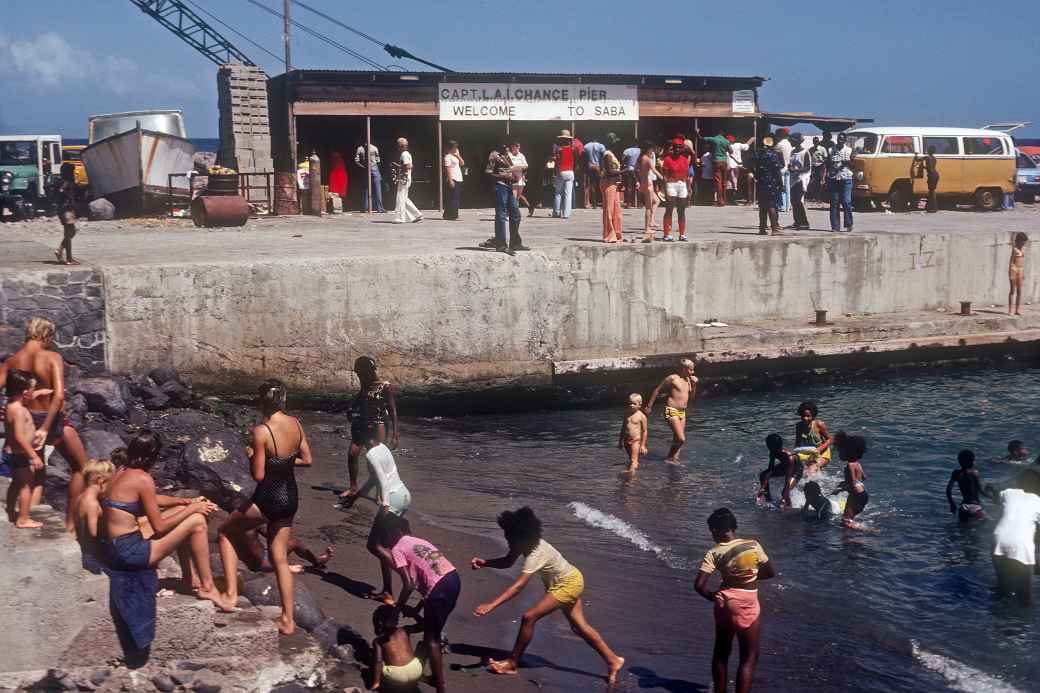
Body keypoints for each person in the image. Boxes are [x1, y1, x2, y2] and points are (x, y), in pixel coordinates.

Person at [472, 507, 625, 684]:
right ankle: (613, 660)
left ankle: (512, 663)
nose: (507, 539)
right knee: (579, 627)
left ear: (521, 536)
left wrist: (492, 605)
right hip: (567, 581)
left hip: (568, 585)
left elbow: (518, 586)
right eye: (506, 534)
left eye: (509, 536)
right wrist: (485, 563)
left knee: (529, 617)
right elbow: (508, 561)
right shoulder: (524, 543)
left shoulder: (536, 552)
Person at [217, 380, 313, 634]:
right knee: (280, 558)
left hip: (268, 497)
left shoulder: (262, 431)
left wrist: (252, 456)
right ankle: (288, 620)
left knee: (226, 533)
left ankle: (229, 594)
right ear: (283, 400)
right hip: (290, 497)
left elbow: (259, 475)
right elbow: (307, 459)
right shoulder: (296, 424)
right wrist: (282, 462)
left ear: (261, 402)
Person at [103, 430, 233, 610]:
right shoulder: (143, 479)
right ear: (152, 456)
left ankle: (190, 578)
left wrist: (184, 502)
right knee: (196, 521)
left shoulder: (121, 472)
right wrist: (193, 509)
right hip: (129, 554)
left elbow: (152, 498)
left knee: (181, 511)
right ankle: (208, 587)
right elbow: (160, 528)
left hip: (115, 547)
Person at [0, 317, 89, 530]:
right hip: (51, 420)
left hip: (26, 420)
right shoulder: (52, 356)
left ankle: (28, 513)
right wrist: (46, 427)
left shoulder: (12, 361)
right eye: (51, 338)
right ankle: (70, 526)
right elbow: (58, 397)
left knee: (36, 472)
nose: (50, 342)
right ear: (44, 336)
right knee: (80, 467)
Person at [694, 508, 775, 693]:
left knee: (721, 654)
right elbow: (770, 572)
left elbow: (699, 585)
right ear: (733, 528)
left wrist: (712, 597)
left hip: (725, 604)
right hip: (748, 603)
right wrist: (750, 576)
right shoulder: (753, 545)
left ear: (716, 530)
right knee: (748, 657)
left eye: (711, 531)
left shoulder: (714, 553)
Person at [381, 513, 460, 693]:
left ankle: (440, 687)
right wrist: (417, 608)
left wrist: (395, 614)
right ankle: (430, 675)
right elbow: (430, 576)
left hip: (438, 589)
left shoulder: (397, 548)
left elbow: (408, 585)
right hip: (453, 579)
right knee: (433, 631)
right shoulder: (420, 541)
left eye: (387, 536)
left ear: (393, 533)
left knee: (431, 639)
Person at [352, 441, 412, 606]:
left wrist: (385, 504)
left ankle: (407, 578)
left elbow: (383, 483)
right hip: (403, 494)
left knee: (373, 545)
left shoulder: (371, 454)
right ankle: (387, 591)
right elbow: (373, 480)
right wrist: (355, 497)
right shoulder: (382, 447)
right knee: (384, 547)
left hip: (392, 499)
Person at [341, 356, 400, 499]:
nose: (359, 376)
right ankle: (353, 487)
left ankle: (381, 491)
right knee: (352, 454)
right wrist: (351, 407)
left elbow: (393, 410)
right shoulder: (365, 384)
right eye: (358, 374)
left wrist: (395, 434)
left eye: (361, 373)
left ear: (369, 371)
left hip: (378, 424)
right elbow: (361, 396)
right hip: (360, 423)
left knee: (374, 460)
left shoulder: (385, 386)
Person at [3, 369, 46, 528]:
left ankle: (10, 510)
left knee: (16, 482)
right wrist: (34, 455)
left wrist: (40, 392)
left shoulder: (12, 404)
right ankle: (23, 518)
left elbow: (27, 395)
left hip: (11, 452)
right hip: (20, 454)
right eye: (33, 389)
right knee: (27, 484)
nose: (33, 392)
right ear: (25, 392)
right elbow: (20, 436)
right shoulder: (19, 411)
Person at [992, 471, 1040, 605]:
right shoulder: (1038, 502)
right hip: (1021, 544)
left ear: (1019, 483)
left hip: (998, 540)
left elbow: (994, 496)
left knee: (1002, 589)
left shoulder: (1008, 492)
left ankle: (997, 622)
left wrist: (988, 487)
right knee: (1025, 597)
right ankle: (1021, 624)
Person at [644, 357, 698, 463]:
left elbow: (691, 397)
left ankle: (674, 459)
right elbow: (657, 390)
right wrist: (649, 406)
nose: (693, 372)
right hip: (671, 410)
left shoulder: (688, 380)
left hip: (682, 412)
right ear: (683, 369)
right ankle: (670, 457)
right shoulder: (673, 378)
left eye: (693, 369)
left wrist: (694, 384)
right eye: (691, 369)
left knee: (677, 439)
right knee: (681, 439)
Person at [480, 142, 527, 255]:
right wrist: (504, 176)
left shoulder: (507, 156)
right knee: (501, 214)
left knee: (516, 214)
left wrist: (514, 177)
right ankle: (501, 244)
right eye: (506, 147)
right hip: (500, 185)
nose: (507, 149)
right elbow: (488, 172)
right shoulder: (494, 155)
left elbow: (510, 169)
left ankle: (515, 242)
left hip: (509, 185)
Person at [72, 458, 115, 573]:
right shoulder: (92, 503)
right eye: (110, 483)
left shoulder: (81, 497)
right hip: (92, 555)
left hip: (84, 547)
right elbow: (93, 532)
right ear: (101, 481)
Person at [370, 604, 423, 692]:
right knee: (421, 646)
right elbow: (423, 625)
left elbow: (378, 662)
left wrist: (376, 682)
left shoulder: (378, 640)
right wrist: (414, 614)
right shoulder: (404, 630)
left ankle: (387, 685)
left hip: (397, 677)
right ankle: (422, 677)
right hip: (416, 671)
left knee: (378, 661)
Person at [833, 432, 870, 530]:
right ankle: (851, 537)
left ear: (848, 452)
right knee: (848, 519)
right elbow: (863, 478)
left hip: (855, 495)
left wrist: (840, 489)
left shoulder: (849, 465)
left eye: (840, 451)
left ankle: (868, 530)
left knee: (846, 521)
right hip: (863, 493)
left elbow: (852, 484)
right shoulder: (857, 464)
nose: (839, 454)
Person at [757, 433, 802, 507]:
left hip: (796, 470)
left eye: (768, 445)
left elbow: (787, 480)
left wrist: (783, 498)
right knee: (763, 475)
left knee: (785, 492)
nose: (768, 447)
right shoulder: (773, 452)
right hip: (784, 466)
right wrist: (762, 489)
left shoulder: (789, 457)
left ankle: (789, 508)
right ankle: (769, 501)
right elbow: (770, 470)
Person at [946, 449, 992, 521]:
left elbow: (948, 490)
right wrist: (992, 497)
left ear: (959, 461)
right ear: (972, 461)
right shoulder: (975, 473)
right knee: (984, 524)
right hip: (975, 507)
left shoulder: (956, 473)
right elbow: (982, 491)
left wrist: (952, 504)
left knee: (963, 530)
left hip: (963, 507)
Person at [750, 135, 783, 235]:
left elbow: (749, 164)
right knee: (772, 205)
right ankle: (774, 229)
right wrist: (780, 184)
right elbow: (777, 171)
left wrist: (756, 174)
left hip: (761, 182)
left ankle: (762, 229)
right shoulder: (773, 155)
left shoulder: (757, 154)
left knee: (762, 206)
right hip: (771, 182)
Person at [660, 138, 690, 242]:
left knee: (681, 210)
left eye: (680, 147)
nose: (677, 149)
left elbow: (687, 176)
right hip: (671, 184)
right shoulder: (667, 159)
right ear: (673, 147)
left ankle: (682, 234)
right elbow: (664, 176)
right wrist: (664, 190)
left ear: (682, 149)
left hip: (682, 185)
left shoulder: (685, 159)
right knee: (669, 208)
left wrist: (689, 189)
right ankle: (666, 234)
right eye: (676, 147)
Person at [826, 133, 854, 232]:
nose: (840, 141)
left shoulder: (850, 150)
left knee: (846, 201)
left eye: (842, 139)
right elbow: (827, 164)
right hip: (833, 178)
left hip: (846, 178)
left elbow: (853, 164)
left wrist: (845, 162)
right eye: (839, 139)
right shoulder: (831, 150)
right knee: (834, 202)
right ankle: (835, 226)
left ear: (845, 140)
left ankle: (848, 223)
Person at [794, 401, 832, 472]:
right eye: (803, 416)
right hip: (810, 453)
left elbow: (830, 439)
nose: (805, 418)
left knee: (811, 470)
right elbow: (798, 441)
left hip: (823, 453)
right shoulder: (799, 426)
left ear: (813, 416)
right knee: (802, 470)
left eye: (808, 416)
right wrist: (795, 453)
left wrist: (819, 449)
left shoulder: (819, 424)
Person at [391, 138, 422, 224]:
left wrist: (397, 165)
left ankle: (400, 218)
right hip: (406, 177)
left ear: (401, 146)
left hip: (404, 177)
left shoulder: (404, 154)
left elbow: (408, 166)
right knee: (404, 198)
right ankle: (416, 214)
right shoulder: (406, 154)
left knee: (400, 197)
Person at [54, 163, 80, 265]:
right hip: (66, 210)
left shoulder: (63, 181)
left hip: (65, 209)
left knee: (72, 231)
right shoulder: (66, 182)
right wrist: (68, 198)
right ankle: (69, 259)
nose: (73, 173)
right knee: (69, 233)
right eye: (72, 171)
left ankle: (60, 250)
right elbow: (61, 191)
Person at [618, 393, 648, 474]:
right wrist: (620, 441)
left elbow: (645, 431)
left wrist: (643, 445)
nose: (631, 405)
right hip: (626, 440)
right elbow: (623, 428)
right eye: (630, 403)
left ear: (639, 405)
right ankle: (635, 467)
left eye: (634, 404)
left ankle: (631, 474)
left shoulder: (641, 416)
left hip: (635, 440)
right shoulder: (626, 414)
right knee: (631, 458)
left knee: (633, 460)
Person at [600, 142, 624, 243]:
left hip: (614, 184)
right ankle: (609, 234)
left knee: (617, 211)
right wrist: (624, 171)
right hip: (608, 183)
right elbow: (610, 171)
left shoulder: (612, 154)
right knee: (609, 209)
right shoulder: (607, 155)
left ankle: (617, 234)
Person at [787, 133, 811, 230]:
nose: (790, 142)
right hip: (793, 180)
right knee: (793, 201)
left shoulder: (805, 152)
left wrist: (797, 171)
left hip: (801, 179)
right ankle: (797, 221)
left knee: (798, 201)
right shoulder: (792, 152)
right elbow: (791, 163)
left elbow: (807, 167)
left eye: (791, 141)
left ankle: (804, 222)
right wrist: (790, 168)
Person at [702, 132, 732, 206]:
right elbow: (731, 151)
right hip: (724, 161)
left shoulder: (714, 139)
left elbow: (702, 138)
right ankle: (724, 200)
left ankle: (720, 201)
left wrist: (697, 132)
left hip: (716, 161)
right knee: (724, 182)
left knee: (718, 182)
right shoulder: (726, 141)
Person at [355, 140, 385, 213]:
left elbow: (356, 161)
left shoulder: (362, 148)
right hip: (372, 169)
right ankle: (377, 208)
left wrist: (363, 167)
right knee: (373, 188)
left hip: (370, 169)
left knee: (368, 189)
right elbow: (378, 161)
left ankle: (366, 208)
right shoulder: (372, 148)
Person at [552, 130, 576, 219]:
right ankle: (566, 214)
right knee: (568, 194)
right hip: (570, 171)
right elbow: (576, 161)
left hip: (561, 171)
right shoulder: (573, 149)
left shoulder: (559, 149)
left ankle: (556, 212)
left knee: (558, 193)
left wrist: (554, 173)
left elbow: (556, 162)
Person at [638, 141, 658, 242]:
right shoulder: (647, 159)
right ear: (648, 149)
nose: (653, 150)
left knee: (652, 203)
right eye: (652, 149)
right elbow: (654, 170)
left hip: (643, 182)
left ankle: (648, 226)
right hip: (648, 183)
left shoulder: (641, 158)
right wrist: (663, 177)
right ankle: (647, 228)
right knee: (649, 207)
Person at [506, 142, 532, 215]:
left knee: (518, 196)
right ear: (512, 148)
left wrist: (523, 169)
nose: (517, 149)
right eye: (515, 147)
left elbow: (526, 166)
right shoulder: (509, 155)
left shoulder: (521, 155)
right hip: (512, 177)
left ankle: (516, 211)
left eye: (518, 147)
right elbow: (507, 165)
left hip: (520, 177)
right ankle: (512, 212)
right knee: (513, 196)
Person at [913, 146, 939, 213]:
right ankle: (930, 207)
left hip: (932, 175)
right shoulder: (934, 158)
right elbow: (931, 167)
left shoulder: (927, 157)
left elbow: (917, 159)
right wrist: (924, 167)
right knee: (932, 191)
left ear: (929, 151)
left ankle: (933, 208)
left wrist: (916, 154)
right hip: (936, 174)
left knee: (931, 192)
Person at [442, 141, 464, 221]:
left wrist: (458, 155)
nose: (456, 149)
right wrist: (450, 180)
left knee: (456, 197)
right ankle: (450, 214)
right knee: (452, 197)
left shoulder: (455, 156)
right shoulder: (447, 157)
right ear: (451, 148)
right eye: (454, 147)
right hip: (453, 178)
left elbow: (462, 163)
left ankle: (452, 214)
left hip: (458, 177)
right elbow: (448, 169)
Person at [727, 136, 751, 205]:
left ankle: (731, 200)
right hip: (738, 167)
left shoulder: (725, 146)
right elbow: (746, 146)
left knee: (731, 184)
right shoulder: (738, 145)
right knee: (739, 184)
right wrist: (752, 138)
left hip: (729, 167)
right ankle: (747, 200)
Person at [583, 137, 606, 208]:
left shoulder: (586, 146)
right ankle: (601, 202)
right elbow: (602, 157)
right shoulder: (601, 146)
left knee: (592, 185)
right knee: (600, 185)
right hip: (598, 166)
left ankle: (594, 204)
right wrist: (602, 168)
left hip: (590, 166)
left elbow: (585, 157)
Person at [774, 129, 793, 212]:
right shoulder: (789, 144)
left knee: (781, 188)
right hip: (788, 168)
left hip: (781, 169)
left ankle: (782, 205)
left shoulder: (778, 145)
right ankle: (787, 206)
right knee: (787, 188)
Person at [1009, 232, 1027, 316]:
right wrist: (1010, 273)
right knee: (1012, 290)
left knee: (1019, 291)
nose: (1023, 243)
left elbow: (1023, 261)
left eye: (1024, 241)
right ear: (1018, 240)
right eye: (1022, 241)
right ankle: (1010, 310)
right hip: (1014, 269)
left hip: (1021, 269)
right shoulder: (1014, 249)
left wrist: (1023, 273)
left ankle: (1017, 310)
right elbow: (1011, 262)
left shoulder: (1024, 248)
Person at [621, 141, 642, 207]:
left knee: (628, 187)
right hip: (637, 170)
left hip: (629, 169)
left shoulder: (627, 150)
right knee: (638, 186)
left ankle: (628, 204)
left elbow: (622, 159)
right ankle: (638, 204)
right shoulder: (640, 151)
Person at [808, 137, 828, 202]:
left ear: (818, 142)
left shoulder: (822, 149)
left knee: (821, 182)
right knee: (813, 182)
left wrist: (822, 163)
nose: (815, 142)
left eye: (817, 141)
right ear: (813, 142)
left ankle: (820, 197)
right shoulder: (810, 149)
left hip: (821, 167)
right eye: (814, 141)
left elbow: (826, 158)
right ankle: (814, 197)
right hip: (813, 167)